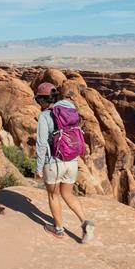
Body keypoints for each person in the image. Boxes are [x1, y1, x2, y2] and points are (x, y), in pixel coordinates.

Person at [35, 82, 95, 243]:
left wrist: (39, 167)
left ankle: (59, 229)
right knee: (68, 193)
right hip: (71, 161)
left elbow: (41, 144)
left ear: (42, 99)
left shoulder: (45, 116)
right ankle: (85, 222)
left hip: (53, 163)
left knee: (53, 195)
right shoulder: (68, 109)